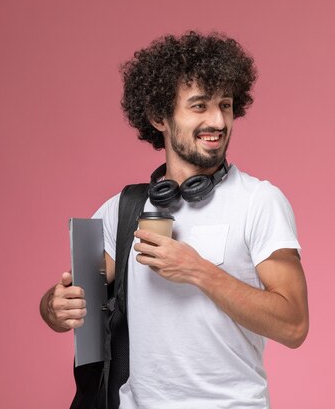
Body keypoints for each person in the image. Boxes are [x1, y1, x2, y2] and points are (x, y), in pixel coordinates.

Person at [39, 31, 309, 408]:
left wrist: (197, 270)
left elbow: (294, 325)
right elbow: (69, 302)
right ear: (158, 117)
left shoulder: (259, 201)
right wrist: (54, 307)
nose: (217, 120)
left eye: (226, 106)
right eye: (199, 106)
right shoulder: (124, 208)